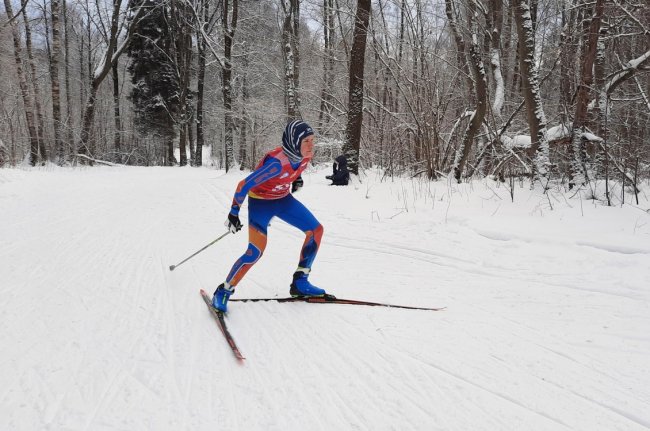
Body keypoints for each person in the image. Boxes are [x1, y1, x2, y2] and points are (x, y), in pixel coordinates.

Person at [212, 120, 327, 312]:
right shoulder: (275, 164)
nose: (311, 145)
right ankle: (223, 291)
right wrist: (233, 213)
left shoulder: (305, 157)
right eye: (306, 140)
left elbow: (296, 169)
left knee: (316, 230)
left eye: (312, 140)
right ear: (294, 141)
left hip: (283, 200)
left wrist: (297, 179)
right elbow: (243, 185)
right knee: (255, 252)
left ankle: (300, 282)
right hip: (261, 204)